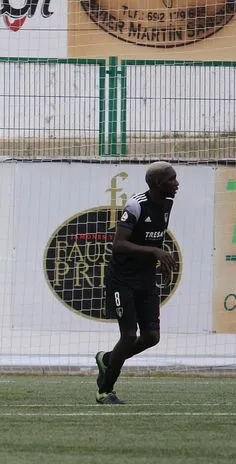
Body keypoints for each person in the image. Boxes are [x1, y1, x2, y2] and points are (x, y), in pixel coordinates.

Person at [95, 161, 179, 405]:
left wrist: (161, 260)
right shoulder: (135, 205)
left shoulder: (167, 204)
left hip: (145, 278)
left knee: (152, 336)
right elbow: (118, 244)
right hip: (122, 279)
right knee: (129, 335)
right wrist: (155, 253)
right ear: (157, 183)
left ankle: (108, 359)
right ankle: (105, 390)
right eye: (171, 179)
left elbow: (156, 237)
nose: (177, 183)